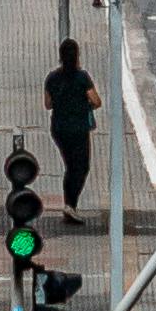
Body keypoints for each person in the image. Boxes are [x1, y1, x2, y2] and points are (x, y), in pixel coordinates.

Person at [44, 35, 98, 202]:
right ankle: (70, 204)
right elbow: (96, 101)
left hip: (59, 128)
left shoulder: (52, 78)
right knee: (81, 167)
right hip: (79, 128)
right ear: (77, 55)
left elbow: (48, 104)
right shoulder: (82, 77)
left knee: (70, 166)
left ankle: (70, 205)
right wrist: (85, 106)